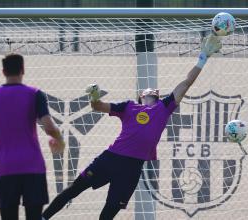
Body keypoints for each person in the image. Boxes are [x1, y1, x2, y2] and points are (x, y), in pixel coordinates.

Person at [42, 34, 222, 220]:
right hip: (111, 159)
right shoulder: (129, 106)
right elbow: (98, 107)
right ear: (141, 97)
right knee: (74, 189)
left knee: (109, 212)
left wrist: (203, 57)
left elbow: (186, 83)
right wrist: (94, 96)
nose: (153, 92)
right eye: (148, 92)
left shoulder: (164, 107)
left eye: (156, 93)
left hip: (132, 167)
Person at [0, 53, 65, 220]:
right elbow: (49, 126)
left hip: (5, 169)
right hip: (33, 167)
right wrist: (59, 138)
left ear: (3, 71)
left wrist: (2, 138)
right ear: (23, 70)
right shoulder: (35, 94)